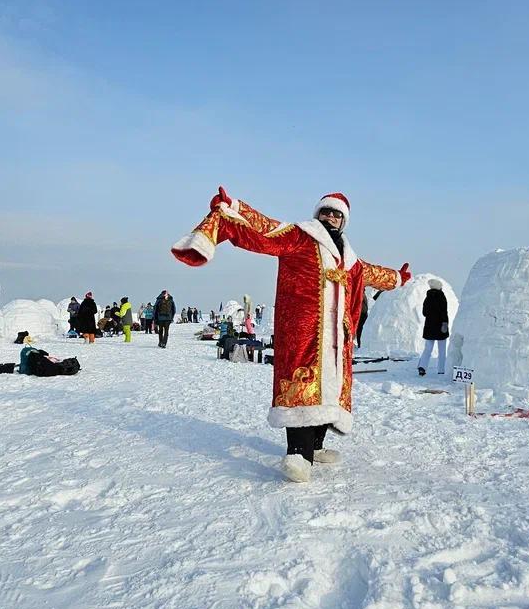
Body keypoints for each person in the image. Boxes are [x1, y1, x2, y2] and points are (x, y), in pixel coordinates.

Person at [172, 187, 410, 483]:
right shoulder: (300, 236)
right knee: (301, 391)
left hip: (336, 340)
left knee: (330, 393)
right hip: (304, 332)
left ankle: (316, 446)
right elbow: (266, 229)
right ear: (318, 214)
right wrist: (236, 207)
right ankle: (298, 454)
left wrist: (398, 278)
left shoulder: (350, 259)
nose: (331, 217)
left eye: (337, 214)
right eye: (326, 212)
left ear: (343, 221)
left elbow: (372, 273)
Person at [418, 279, 449, 376]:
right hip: (440, 327)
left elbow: (424, 313)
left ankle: (422, 367)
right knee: (442, 350)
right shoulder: (442, 296)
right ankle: (441, 369)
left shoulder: (427, 298)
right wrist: (445, 323)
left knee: (427, 349)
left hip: (429, 327)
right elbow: (444, 312)